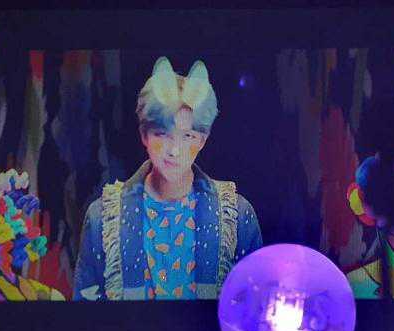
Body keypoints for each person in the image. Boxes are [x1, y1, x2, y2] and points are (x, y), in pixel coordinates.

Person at [73, 57, 262, 300]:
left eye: (188, 136)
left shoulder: (236, 216)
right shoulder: (102, 217)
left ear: (202, 140)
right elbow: (85, 311)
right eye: (162, 134)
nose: (174, 150)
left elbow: (254, 308)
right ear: (144, 135)